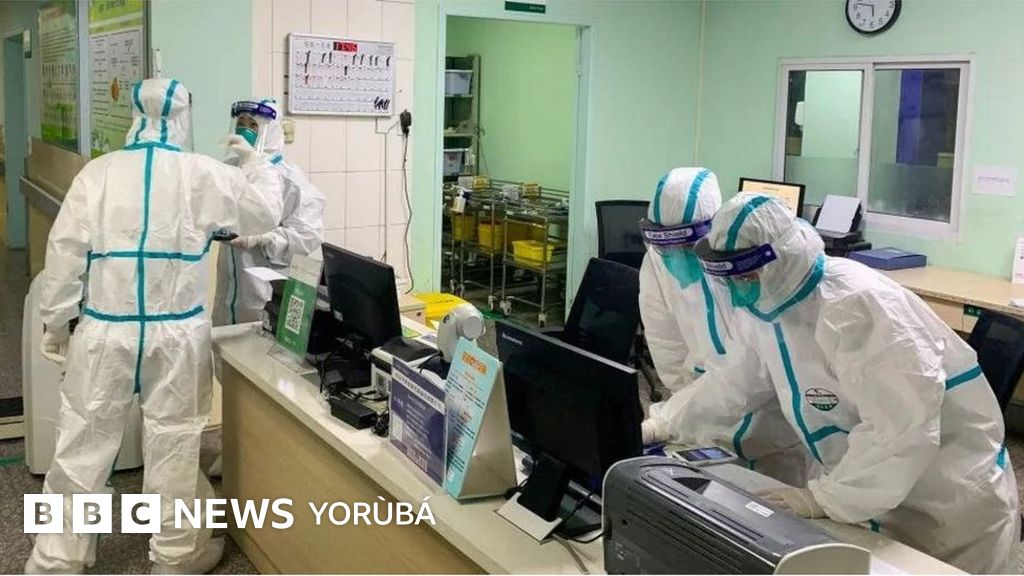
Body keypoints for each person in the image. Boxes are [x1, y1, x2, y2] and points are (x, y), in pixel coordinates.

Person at [676, 192, 1019, 573]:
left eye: (746, 276)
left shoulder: (859, 306)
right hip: (872, 494)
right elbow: (733, 382)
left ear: (782, 260)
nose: (741, 290)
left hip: (944, 503)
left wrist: (825, 499)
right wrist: (665, 422)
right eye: (732, 279)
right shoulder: (770, 309)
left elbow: (901, 429)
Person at [27, 78, 284, 574]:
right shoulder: (201, 173)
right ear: (184, 118)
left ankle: (57, 558)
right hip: (176, 334)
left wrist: (56, 321)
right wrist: (258, 162)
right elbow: (265, 213)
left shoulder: (98, 173)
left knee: (81, 443)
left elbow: (63, 254)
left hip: (105, 329)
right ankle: (175, 556)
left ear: (132, 116)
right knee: (175, 443)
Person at [637, 168, 806, 486]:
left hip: (772, 428)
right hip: (701, 415)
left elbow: (748, 373)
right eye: (665, 246)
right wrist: (684, 414)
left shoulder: (746, 270)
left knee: (775, 505)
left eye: (687, 244)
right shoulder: (658, 264)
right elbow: (667, 346)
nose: (675, 256)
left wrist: (666, 420)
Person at [212, 98, 325, 326]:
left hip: (267, 287)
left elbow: (308, 235)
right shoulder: (231, 169)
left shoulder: (289, 179)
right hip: (230, 287)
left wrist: (262, 239)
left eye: (253, 125)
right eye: (241, 122)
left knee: (259, 337)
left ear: (269, 130)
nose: (244, 130)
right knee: (227, 338)